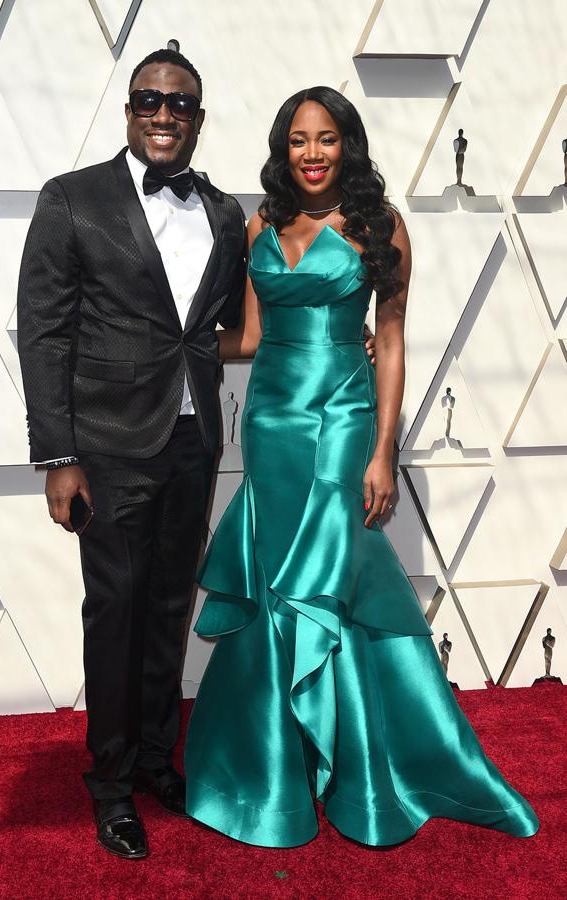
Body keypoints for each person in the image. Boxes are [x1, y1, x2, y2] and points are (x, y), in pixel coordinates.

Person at [184, 86, 539, 848]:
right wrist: (160, 342)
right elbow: (245, 337)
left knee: (325, 578)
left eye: (326, 138)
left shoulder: (380, 226)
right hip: (273, 424)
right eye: (298, 141)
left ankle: (357, 771)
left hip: (343, 421)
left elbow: (394, 336)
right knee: (279, 583)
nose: (311, 154)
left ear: (348, 144)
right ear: (283, 150)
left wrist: (383, 449)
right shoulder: (261, 224)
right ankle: (273, 769)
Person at [17, 48, 251, 860]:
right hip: (107, 450)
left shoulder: (223, 213)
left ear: (197, 119)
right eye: (149, 98)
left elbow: (234, 326)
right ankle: (110, 784)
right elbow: (45, 332)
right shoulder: (72, 199)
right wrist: (58, 456)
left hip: (191, 443)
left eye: (180, 103)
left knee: (165, 612)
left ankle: (157, 760)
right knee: (114, 616)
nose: (164, 113)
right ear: (127, 109)